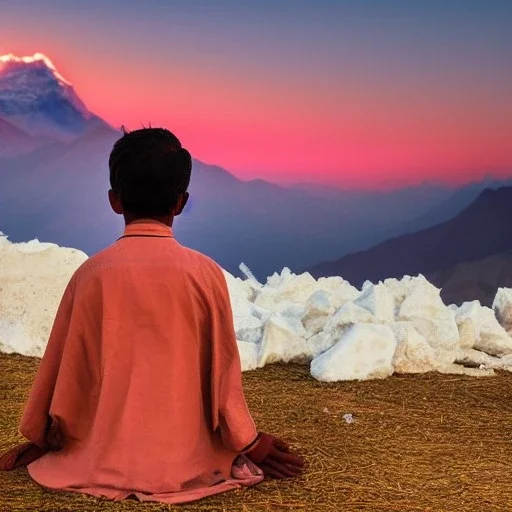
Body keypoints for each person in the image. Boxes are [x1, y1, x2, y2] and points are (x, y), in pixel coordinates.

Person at [0, 128, 304, 504]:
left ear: (114, 200)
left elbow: (63, 370)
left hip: (98, 456)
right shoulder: (205, 274)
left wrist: (41, 435)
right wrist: (248, 441)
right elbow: (223, 377)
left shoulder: (91, 275)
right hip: (184, 461)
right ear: (181, 201)